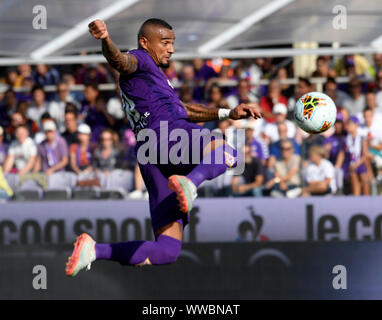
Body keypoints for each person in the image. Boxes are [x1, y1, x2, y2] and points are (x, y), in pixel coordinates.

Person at [65, 18, 261, 276]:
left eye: (172, 43)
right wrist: (105, 40)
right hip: (170, 135)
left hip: (150, 154)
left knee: (167, 251)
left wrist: (227, 113)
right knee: (228, 152)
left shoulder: (153, 79)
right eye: (165, 43)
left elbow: (185, 109)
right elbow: (119, 61)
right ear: (145, 43)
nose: (171, 49)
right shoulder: (141, 59)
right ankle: (191, 183)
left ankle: (95, 250)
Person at [343, 116, 370, 196]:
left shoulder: (362, 137)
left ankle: (367, 200)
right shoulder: (347, 138)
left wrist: (356, 164)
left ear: (356, 125)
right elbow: (345, 153)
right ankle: (356, 200)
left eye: (350, 124)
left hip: (360, 162)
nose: (348, 127)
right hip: (351, 163)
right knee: (354, 179)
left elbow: (365, 155)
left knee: (364, 179)